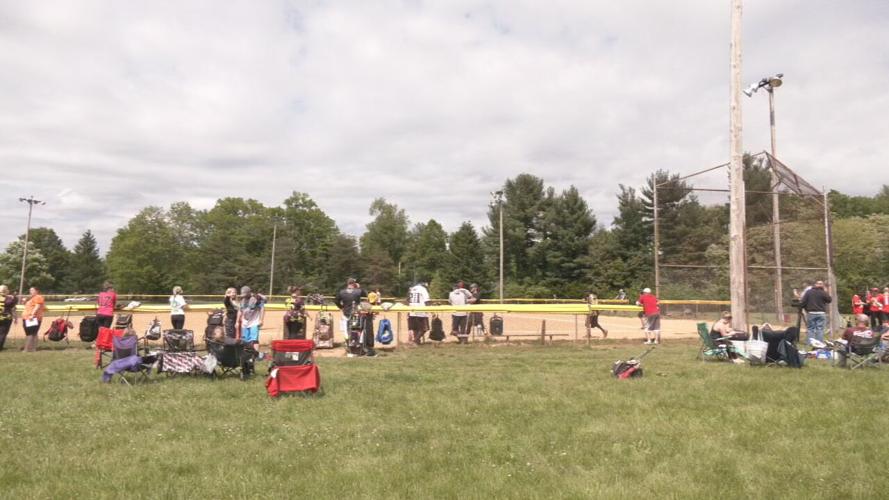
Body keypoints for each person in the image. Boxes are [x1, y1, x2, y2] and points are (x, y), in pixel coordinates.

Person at [334, 278, 373, 355]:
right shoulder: (358, 291)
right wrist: (358, 287)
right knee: (358, 331)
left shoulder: (342, 292)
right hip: (356, 314)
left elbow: (336, 301)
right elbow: (366, 294)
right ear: (354, 284)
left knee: (346, 331)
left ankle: (349, 348)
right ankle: (358, 348)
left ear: (347, 283)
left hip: (346, 314)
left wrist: (341, 307)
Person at [238, 286, 266, 354]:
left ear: (249, 293)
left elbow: (262, 308)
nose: (244, 296)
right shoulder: (242, 301)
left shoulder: (256, 299)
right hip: (245, 323)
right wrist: (237, 321)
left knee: (254, 339)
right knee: (245, 339)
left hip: (254, 322)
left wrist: (261, 320)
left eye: (245, 294)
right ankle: (246, 353)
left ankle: (256, 353)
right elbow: (240, 310)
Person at [21, 286, 45, 352]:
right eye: (30, 290)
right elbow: (29, 307)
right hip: (27, 318)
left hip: (33, 318)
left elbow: (37, 306)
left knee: (30, 333)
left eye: (32, 290)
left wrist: (32, 315)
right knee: (32, 333)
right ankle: (32, 348)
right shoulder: (31, 298)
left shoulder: (38, 297)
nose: (30, 291)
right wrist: (24, 302)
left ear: (37, 291)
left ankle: (27, 349)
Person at [0, 285, 17, 351]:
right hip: (6, 318)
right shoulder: (9, 299)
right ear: (6, 291)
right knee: (3, 333)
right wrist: (14, 296)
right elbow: (13, 306)